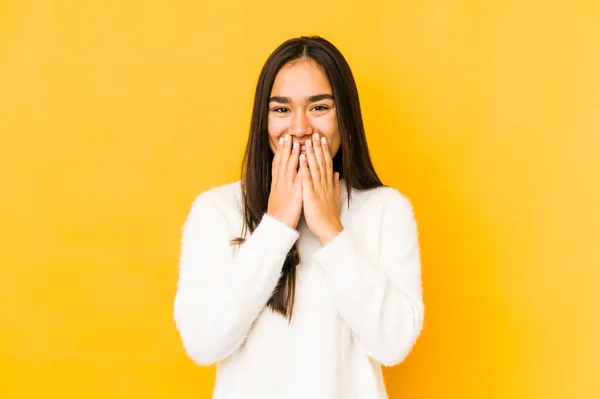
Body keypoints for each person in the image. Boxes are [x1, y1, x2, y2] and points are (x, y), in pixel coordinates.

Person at [173, 35, 424, 399]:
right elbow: (203, 342)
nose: (301, 127)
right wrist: (275, 228)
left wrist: (331, 232)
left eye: (319, 107)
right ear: (264, 119)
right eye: (282, 109)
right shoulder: (217, 211)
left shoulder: (386, 210)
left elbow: (394, 344)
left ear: (345, 115)